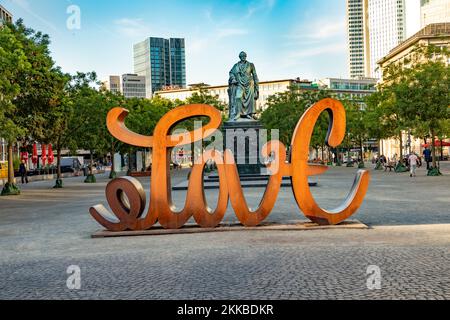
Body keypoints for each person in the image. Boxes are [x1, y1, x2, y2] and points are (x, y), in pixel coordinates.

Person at [228, 51, 259, 121]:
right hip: (239, 84)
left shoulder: (251, 65)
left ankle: (248, 114)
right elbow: (231, 73)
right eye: (242, 56)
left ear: (246, 56)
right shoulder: (236, 65)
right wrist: (233, 79)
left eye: (244, 56)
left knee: (249, 100)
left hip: (249, 84)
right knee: (238, 97)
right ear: (240, 57)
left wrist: (257, 88)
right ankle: (238, 114)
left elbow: (255, 75)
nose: (243, 57)